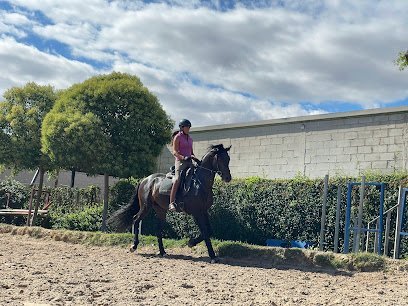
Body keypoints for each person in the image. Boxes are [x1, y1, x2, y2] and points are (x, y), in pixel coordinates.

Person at [169, 119, 195, 212]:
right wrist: (183, 157)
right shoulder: (178, 137)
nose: (188, 129)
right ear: (182, 127)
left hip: (189, 161)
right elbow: (175, 152)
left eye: (189, 127)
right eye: (187, 127)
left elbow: (191, 152)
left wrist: (194, 158)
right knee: (177, 179)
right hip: (180, 161)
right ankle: (171, 203)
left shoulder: (190, 139)